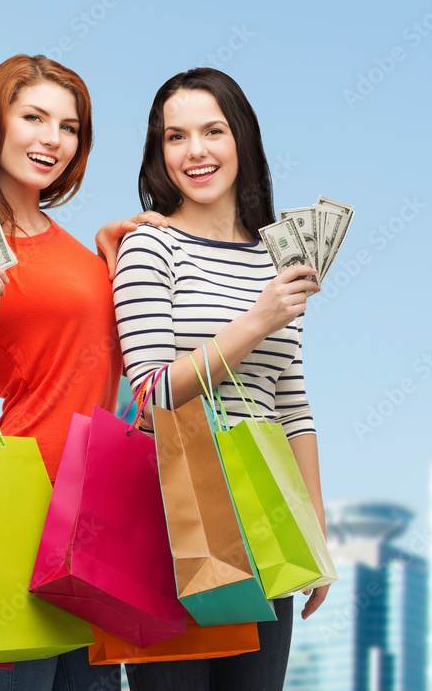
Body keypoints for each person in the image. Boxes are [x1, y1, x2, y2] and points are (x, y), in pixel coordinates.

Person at [0, 54, 164, 691]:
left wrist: (115, 259)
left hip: (100, 516)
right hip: (22, 514)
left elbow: (111, 364)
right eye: (33, 117)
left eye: (70, 126)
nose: (52, 139)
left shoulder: (79, 251)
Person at [113, 68, 331, 691]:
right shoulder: (150, 248)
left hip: (265, 514)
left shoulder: (276, 258)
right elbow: (152, 393)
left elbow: (292, 404)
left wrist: (312, 530)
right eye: (175, 137)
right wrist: (259, 318)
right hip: (173, 515)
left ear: (243, 139)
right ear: (159, 154)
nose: (196, 151)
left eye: (213, 131)